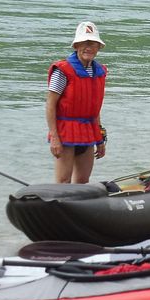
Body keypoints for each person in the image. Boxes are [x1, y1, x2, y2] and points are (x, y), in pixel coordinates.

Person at [46, 21, 107, 183]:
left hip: (88, 131)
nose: (89, 48)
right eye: (84, 43)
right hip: (66, 132)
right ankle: (57, 207)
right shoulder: (63, 71)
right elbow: (50, 104)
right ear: (76, 45)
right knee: (63, 181)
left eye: (93, 44)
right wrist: (54, 137)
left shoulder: (99, 72)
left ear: (98, 48)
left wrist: (100, 137)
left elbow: (94, 107)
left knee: (82, 180)